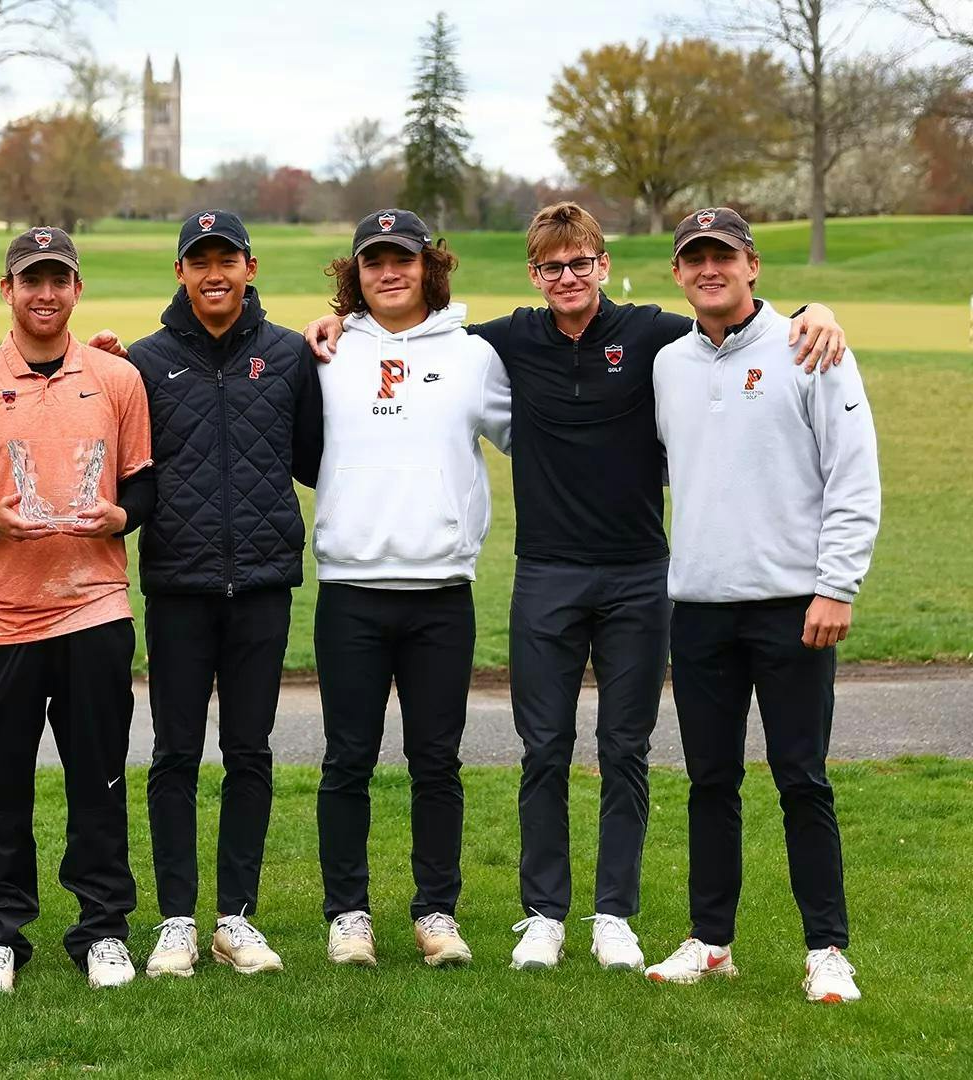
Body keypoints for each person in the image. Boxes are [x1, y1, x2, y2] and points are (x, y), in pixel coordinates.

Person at [305, 202, 847, 972]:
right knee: (545, 749)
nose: (568, 277)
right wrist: (321, 326)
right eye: (552, 267)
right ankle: (543, 915)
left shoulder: (654, 334)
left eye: (581, 263)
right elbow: (415, 346)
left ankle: (614, 915)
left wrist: (812, 311)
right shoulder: (499, 342)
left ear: (603, 262)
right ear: (535, 274)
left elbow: (734, 315)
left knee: (625, 748)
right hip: (545, 574)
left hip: (638, 576)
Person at [644, 207, 878, 1004]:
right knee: (710, 782)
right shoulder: (669, 363)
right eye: (694, 257)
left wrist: (837, 585)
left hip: (793, 607)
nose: (709, 269)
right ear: (678, 273)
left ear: (753, 266)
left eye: (724, 255)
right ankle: (711, 942)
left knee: (801, 778)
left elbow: (852, 474)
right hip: (701, 607)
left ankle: (827, 949)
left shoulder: (811, 348)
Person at [0, 226, 156, 992]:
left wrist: (122, 519)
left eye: (58, 280)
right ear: (7, 290)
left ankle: (102, 929)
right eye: (31, 280)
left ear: (77, 289)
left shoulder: (116, 378)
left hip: (94, 606)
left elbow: (142, 484)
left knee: (99, 775)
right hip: (1, 615)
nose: (45, 293)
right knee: (1, 782)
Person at [114, 209, 319, 978]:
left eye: (226, 259)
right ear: (180, 274)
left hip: (262, 583)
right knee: (174, 753)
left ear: (250, 267)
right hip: (178, 586)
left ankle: (235, 916)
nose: (214, 273)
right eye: (198, 261)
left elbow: (314, 460)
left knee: (249, 752)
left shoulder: (291, 355)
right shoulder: (145, 361)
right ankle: (175, 919)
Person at [313, 209, 510, 970]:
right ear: (354, 275)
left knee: (437, 760)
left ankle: (436, 911)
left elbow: (536, 434)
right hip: (352, 587)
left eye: (402, 258)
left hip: (439, 591)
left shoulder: (473, 355)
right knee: (347, 760)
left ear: (430, 265)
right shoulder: (327, 352)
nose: (388, 271)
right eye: (373, 261)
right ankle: (349, 915)